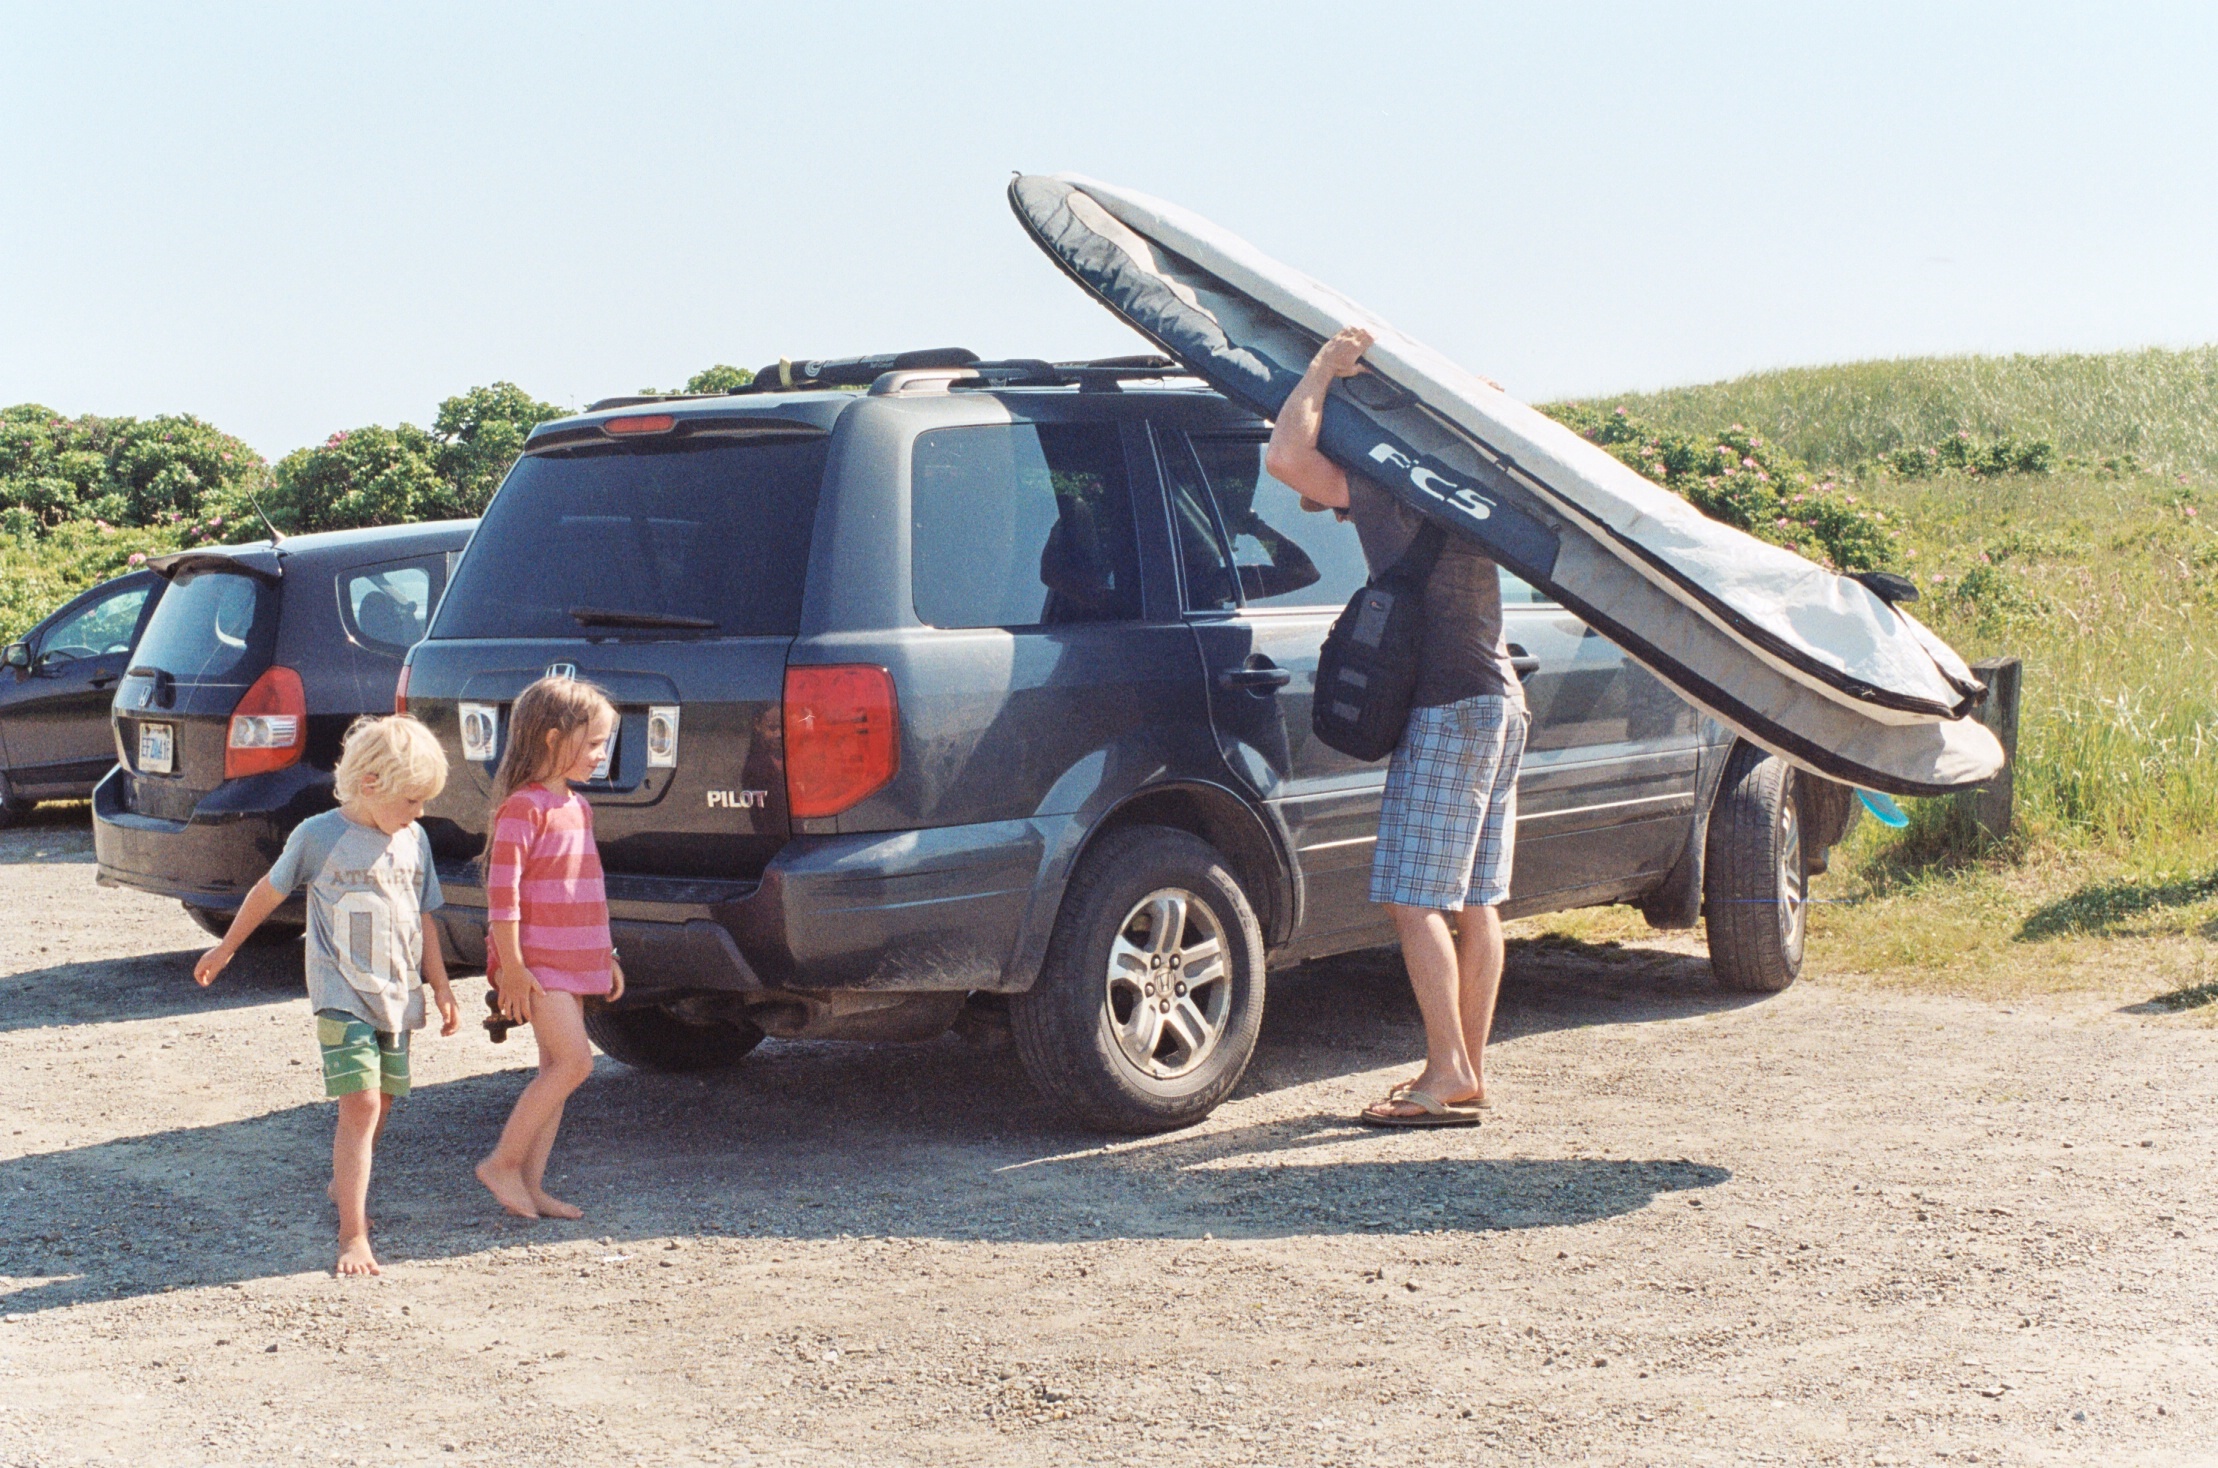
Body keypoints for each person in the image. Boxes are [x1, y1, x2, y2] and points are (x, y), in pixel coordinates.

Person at [1265, 326, 1529, 1127]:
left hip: (1449, 708)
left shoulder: (1389, 488)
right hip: (1501, 700)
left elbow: (1287, 459)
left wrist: (1322, 369)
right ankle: (1466, 1073)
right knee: (1474, 900)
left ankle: (1446, 1072)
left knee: (1413, 900)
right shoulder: (1470, 489)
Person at [194, 715, 459, 1275]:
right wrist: (227, 948)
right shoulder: (318, 835)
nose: (419, 812)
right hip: (340, 992)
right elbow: (269, 891)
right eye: (412, 800)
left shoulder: (415, 840)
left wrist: (440, 985)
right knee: (360, 1102)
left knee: (383, 1098)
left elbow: (424, 918)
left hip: (396, 994)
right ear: (370, 784)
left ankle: (344, 1181)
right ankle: (352, 1233)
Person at [473, 676, 626, 1219]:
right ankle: (502, 1162)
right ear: (553, 738)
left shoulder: (577, 807)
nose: (601, 754)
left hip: (573, 961)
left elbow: (587, 889)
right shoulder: (523, 808)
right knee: (575, 1063)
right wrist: (512, 968)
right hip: (538, 966)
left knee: (554, 1072)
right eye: (593, 743)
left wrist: (606, 955)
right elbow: (502, 897)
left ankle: (531, 1184)